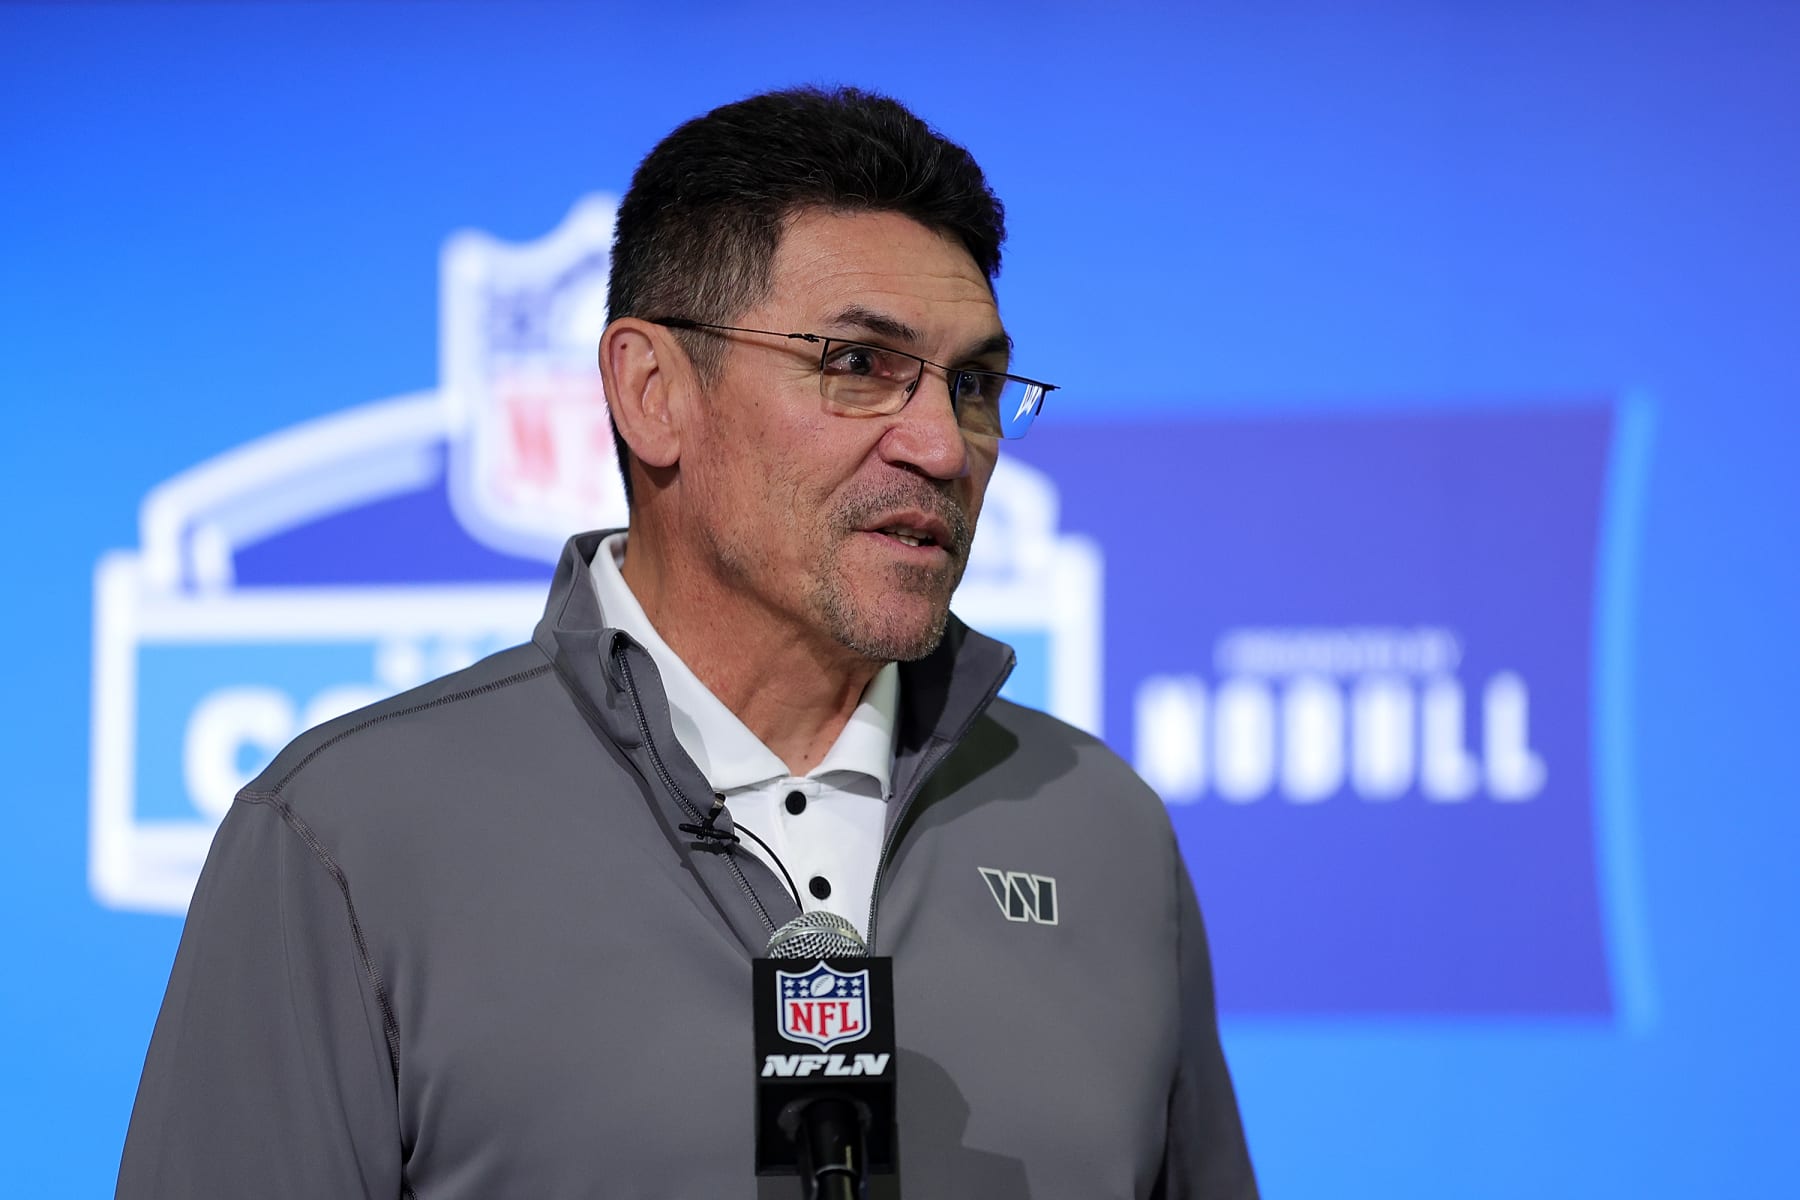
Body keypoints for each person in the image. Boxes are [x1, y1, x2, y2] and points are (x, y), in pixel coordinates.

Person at [117, 86, 1257, 1199]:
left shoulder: (1103, 827)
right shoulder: (346, 837)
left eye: (972, 384)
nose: (946, 448)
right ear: (652, 390)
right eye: (858, 365)